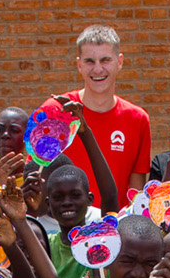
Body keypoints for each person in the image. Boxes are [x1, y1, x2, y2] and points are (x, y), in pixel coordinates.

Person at [40, 24, 152, 204]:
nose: (98, 69)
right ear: (79, 65)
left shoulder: (138, 119)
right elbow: (37, 177)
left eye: (105, 60)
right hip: (63, 228)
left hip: (114, 227)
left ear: (120, 62)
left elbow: (136, 193)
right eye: (90, 61)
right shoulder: (54, 111)